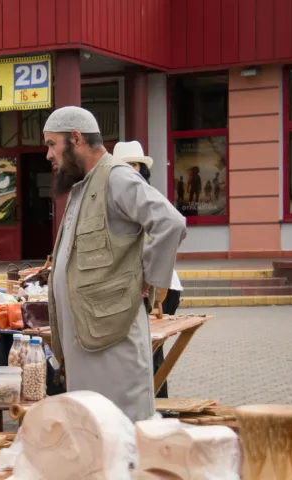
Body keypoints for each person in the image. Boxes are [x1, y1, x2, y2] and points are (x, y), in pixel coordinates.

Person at [44, 107, 187, 422]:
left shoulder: (117, 176)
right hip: (87, 344)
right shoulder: (84, 184)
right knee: (94, 436)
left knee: (124, 436)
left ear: (76, 139)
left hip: (114, 346)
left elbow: (171, 223)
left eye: (53, 144)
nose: (48, 155)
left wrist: (148, 277)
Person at [113, 141, 185, 399]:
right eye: (124, 165)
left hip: (160, 286)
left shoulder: (141, 195)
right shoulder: (124, 194)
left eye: (134, 165)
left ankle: (157, 407)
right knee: (146, 351)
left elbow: (172, 227)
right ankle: (156, 406)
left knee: (149, 350)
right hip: (147, 284)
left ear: (142, 169)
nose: (129, 170)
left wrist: (147, 277)